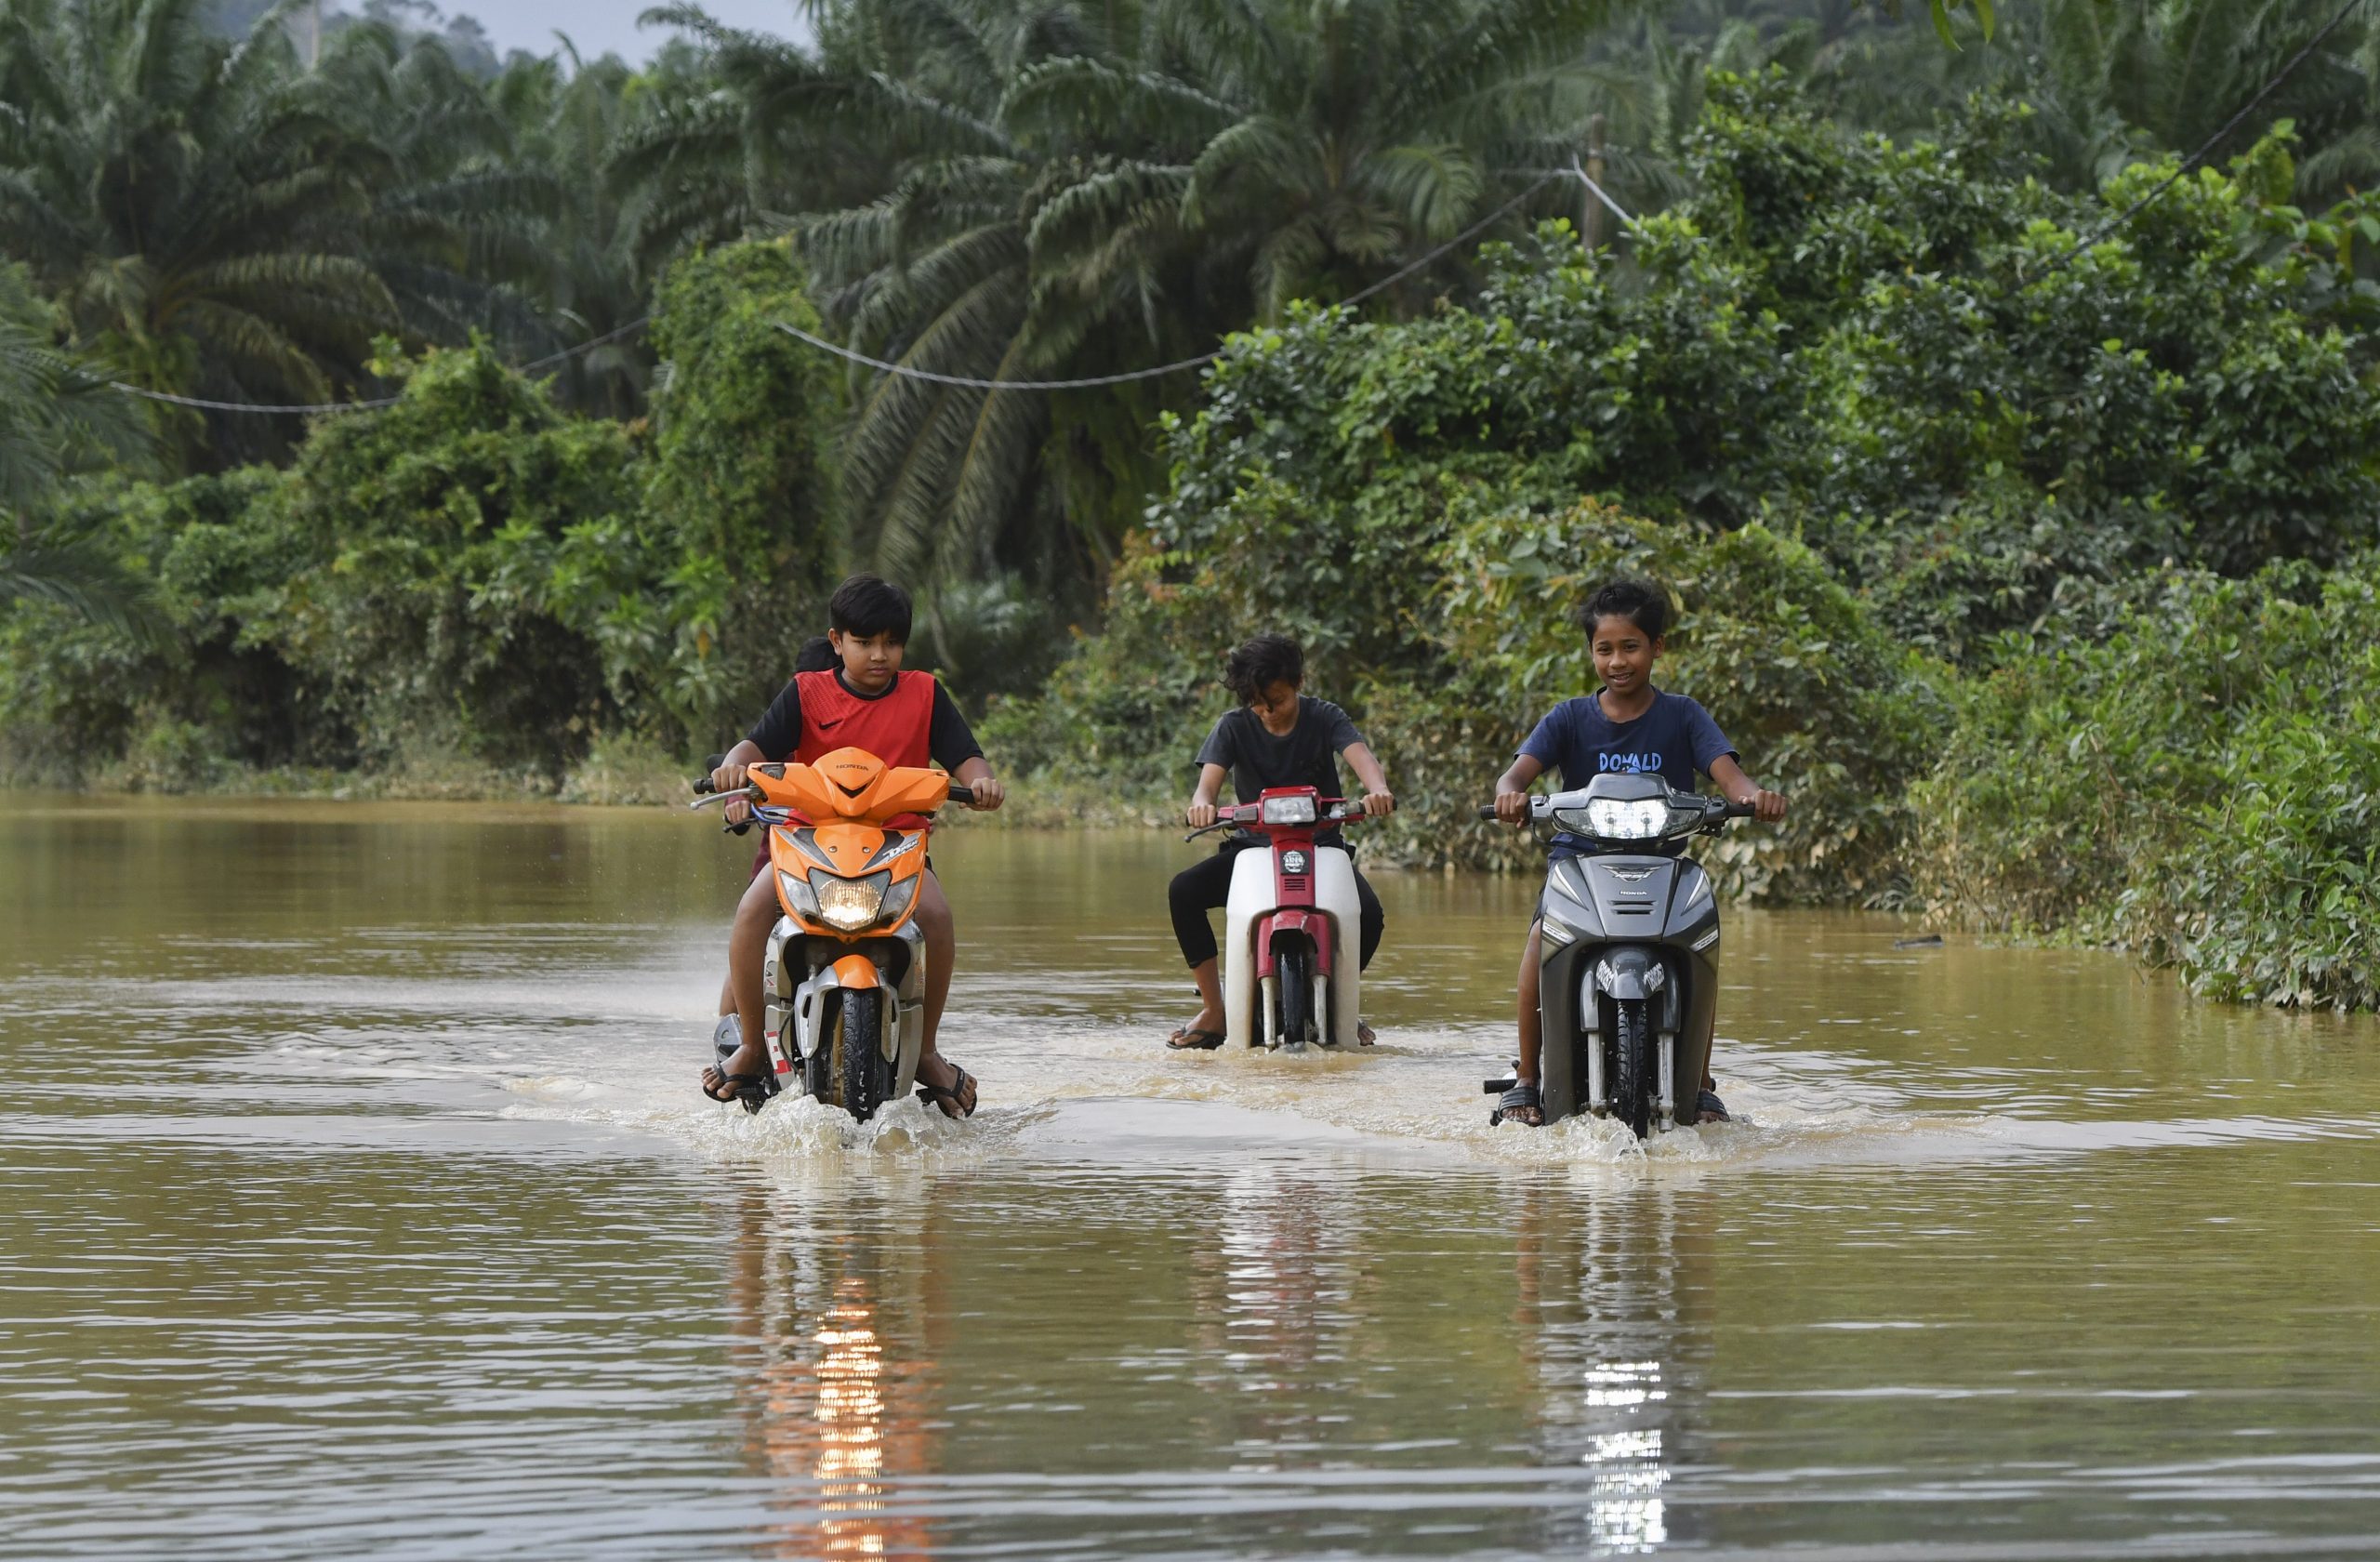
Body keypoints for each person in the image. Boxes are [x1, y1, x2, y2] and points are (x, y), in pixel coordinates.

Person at [699, 575, 1005, 1117]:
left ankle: (928, 1051)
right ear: (836, 642)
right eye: (864, 643)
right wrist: (732, 767)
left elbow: (966, 756)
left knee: (936, 915)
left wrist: (981, 780)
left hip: (894, 846)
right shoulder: (806, 691)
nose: (878, 655)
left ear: (903, 647)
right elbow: (756, 743)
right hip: (806, 842)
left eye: (890, 643)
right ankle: (750, 1045)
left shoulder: (927, 694)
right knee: (751, 909)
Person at [1488, 579, 1786, 1127]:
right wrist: (1511, 793)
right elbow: (1517, 772)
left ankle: (1700, 1082)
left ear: (1657, 648)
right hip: (1578, 862)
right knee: (1539, 940)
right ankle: (1527, 1079)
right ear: (1591, 653)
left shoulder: (1684, 716)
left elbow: (1731, 778)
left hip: (1665, 866)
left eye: (1631, 647)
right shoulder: (1569, 718)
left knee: (1700, 942)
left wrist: (1753, 799)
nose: (1617, 660)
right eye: (1605, 649)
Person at [1165, 634, 1395, 1049]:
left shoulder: (1326, 717)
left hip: (1322, 849)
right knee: (1184, 890)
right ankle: (1216, 1009)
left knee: (1370, 915)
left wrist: (1376, 790)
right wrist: (1201, 805)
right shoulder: (1232, 727)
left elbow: (1362, 760)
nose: (1269, 712)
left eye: (1279, 700)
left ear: (1299, 683)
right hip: (1251, 852)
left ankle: (1343, 1003)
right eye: (1258, 704)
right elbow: (1206, 789)